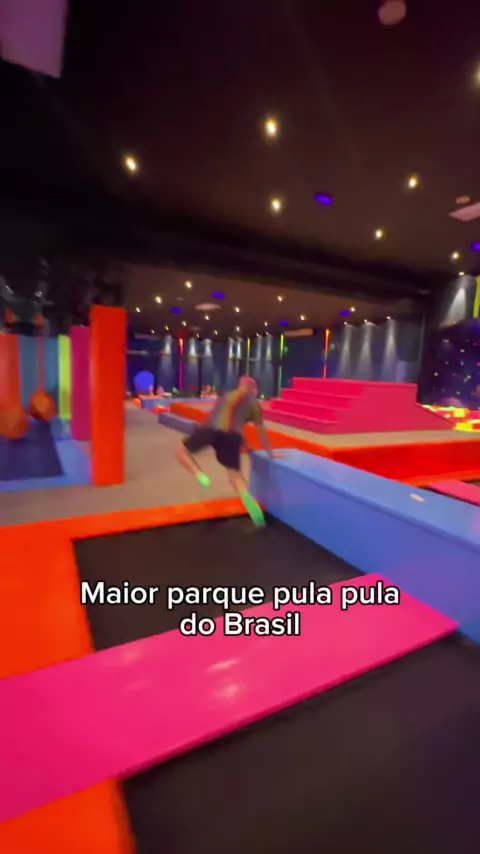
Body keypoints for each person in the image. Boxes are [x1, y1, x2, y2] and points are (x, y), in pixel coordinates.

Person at [175, 376, 282, 526]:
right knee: (235, 475)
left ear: (240, 385)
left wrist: (200, 432)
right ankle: (249, 502)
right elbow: (260, 432)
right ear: (252, 389)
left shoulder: (226, 396)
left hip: (210, 429)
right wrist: (271, 453)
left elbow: (215, 416)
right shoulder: (254, 404)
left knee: (181, 450)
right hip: (232, 437)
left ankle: (199, 474)